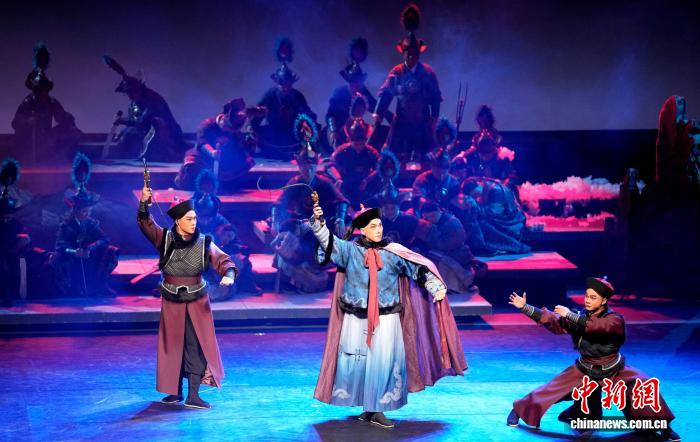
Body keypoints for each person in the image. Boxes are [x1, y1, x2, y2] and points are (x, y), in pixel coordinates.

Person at [311, 202, 466, 428]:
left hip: (386, 317)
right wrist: (318, 223)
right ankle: (369, 407)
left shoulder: (393, 252)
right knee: (358, 362)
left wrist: (435, 286)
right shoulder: (349, 251)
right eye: (373, 226)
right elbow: (328, 242)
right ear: (362, 230)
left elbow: (417, 268)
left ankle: (378, 408)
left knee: (383, 363)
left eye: (380, 225)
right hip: (356, 317)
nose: (379, 230)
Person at [507, 278, 679, 441]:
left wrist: (570, 315)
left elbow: (598, 327)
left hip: (613, 369)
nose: (588, 300)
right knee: (551, 390)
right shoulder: (580, 316)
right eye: (587, 296)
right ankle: (518, 411)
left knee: (642, 384)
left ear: (604, 300)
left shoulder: (614, 319)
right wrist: (525, 307)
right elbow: (554, 320)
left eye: (593, 297)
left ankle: (663, 427)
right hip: (585, 370)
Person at [138, 186, 237, 409]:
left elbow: (224, 260)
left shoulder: (204, 242)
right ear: (178, 221)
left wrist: (228, 274)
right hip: (172, 301)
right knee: (173, 346)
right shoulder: (164, 239)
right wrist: (144, 202)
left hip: (196, 301)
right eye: (189, 219)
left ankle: (193, 395)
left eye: (195, 219)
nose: (193, 223)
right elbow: (146, 224)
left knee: (195, 345)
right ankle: (175, 392)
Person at [270, 148, 349, 293]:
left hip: (320, 226)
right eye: (305, 167)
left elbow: (341, 201)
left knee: (313, 248)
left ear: (316, 167)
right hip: (300, 225)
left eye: (311, 167)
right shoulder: (295, 182)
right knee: (286, 242)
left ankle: (311, 273)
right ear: (300, 167)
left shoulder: (324, 183)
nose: (308, 170)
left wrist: (340, 219)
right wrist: (275, 222)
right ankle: (291, 277)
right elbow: (279, 203)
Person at [373, 4, 442, 164]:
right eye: (408, 54)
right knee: (393, 158)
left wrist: (434, 117)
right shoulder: (397, 71)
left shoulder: (427, 72)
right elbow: (386, 94)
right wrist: (378, 113)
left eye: (414, 54)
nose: (411, 57)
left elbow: (435, 97)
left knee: (427, 158)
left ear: (419, 53)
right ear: (402, 53)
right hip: (401, 122)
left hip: (423, 122)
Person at [52, 154, 118, 297]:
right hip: (72, 258)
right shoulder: (67, 225)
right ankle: (72, 288)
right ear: (76, 211)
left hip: (88, 256)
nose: (87, 214)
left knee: (110, 251)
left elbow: (105, 238)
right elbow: (60, 246)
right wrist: (74, 251)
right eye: (84, 211)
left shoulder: (91, 223)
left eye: (89, 211)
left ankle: (100, 285)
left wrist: (89, 248)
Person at [103, 55, 185, 161]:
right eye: (127, 93)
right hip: (146, 134)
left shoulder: (152, 99)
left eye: (131, 92)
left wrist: (122, 120)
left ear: (137, 90)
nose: (129, 96)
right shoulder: (134, 102)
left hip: (167, 137)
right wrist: (123, 131)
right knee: (127, 134)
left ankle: (153, 156)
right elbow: (133, 119)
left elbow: (142, 122)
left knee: (135, 132)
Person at [12, 42, 81, 163]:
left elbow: (62, 117)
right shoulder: (29, 101)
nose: (43, 93)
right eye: (40, 90)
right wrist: (27, 121)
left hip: (47, 140)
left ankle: (62, 158)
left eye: (45, 89)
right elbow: (15, 123)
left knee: (71, 131)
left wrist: (70, 121)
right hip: (30, 143)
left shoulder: (51, 102)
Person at [252, 38, 317, 159]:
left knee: (310, 130)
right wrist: (254, 126)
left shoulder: (297, 96)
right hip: (273, 133)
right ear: (277, 83)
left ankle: (307, 154)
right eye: (282, 84)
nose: (285, 87)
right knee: (253, 133)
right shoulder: (270, 95)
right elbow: (257, 114)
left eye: (288, 84)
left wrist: (305, 122)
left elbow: (308, 114)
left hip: (292, 135)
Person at [175, 98, 256, 190]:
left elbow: (239, 148)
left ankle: (224, 186)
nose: (228, 131)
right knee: (191, 159)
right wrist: (212, 152)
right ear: (223, 119)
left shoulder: (235, 132)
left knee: (245, 161)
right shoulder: (207, 125)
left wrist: (249, 145)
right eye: (227, 128)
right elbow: (202, 143)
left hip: (224, 159)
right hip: (204, 157)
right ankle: (195, 186)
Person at [324, 37, 379, 151]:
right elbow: (330, 115)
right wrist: (333, 130)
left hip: (357, 133)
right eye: (353, 82)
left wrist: (389, 118)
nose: (355, 84)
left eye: (358, 82)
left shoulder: (363, 92)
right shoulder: (339, 93)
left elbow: (376, 108)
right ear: (348, 81)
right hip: (339, 131)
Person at [414, 201, 479, 294]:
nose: (430, 220)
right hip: (443, 251)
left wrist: (431, 234)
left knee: (435, 257)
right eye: (427, 218)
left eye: (432, 216)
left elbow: (447, 244)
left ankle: (454, 284)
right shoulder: (431, 223)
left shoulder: (452, 223)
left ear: (439, 211)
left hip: (457, 254)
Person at [330, 118, 380, 208]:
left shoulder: (371, 152)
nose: (359, 146)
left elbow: (379, 168)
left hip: (365, 188)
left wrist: (367, 180)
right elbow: (330, 165)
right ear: (350, 140)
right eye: (356, 144)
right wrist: (338, 178)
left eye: (362, 143)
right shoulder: (342, 150)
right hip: (345, 187)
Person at [411, 149, 461, 215]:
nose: (441, 173)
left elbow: (458, 200)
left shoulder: (453, 182)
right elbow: (417, 198)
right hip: (426, 215)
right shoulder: (422, 179)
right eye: (437, 169)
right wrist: (430, 205)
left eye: (444, 170)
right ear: (432, 167)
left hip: (447, 216)